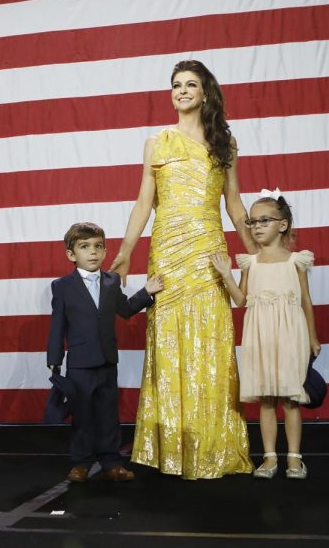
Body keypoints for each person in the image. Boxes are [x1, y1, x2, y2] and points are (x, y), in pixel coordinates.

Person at [109, 60, 255, 479]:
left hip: (208, 253)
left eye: (191, 84)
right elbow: (144, 202)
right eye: (176, 85)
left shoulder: (225, 142)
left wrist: (254, 253)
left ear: (205, 92)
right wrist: (126, 251)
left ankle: (213, 446)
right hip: (169, 254)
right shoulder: (157, 141)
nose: (182, 90)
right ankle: (172, 447)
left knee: (211, 344)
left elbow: (234, 204)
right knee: (170, 346)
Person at [211, 191, 322, 479]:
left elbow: (306, 301)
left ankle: (295, 458)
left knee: (290, 398)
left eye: (265, 220)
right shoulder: (251, 262)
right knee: (267, 399)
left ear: (282, 225)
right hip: (259, 334)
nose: (257, 226)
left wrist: (313, 337)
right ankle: (270, 458)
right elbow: (241, 300)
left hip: (290, 334)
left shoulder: (296, 261)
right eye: (252, 222)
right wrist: (226, 274)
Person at [48, 222, 163, 482]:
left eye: (98, 246)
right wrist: (54, 360)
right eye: (85, 247)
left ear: (105, 251)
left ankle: (111, 462)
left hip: (108, 360)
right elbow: (57, 325)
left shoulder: (111, 281)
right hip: (79, 363)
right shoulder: (62, 286)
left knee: (108, 413)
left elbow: (125, 309)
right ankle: (81, 462)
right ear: (71, 254)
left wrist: (147, 293)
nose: (93, 252)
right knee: (83, 415)